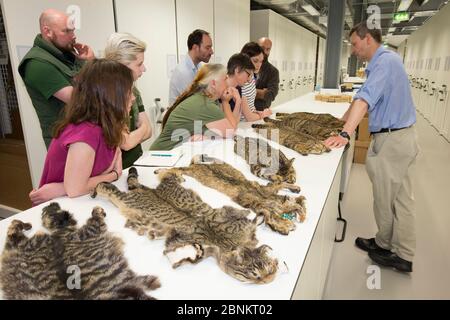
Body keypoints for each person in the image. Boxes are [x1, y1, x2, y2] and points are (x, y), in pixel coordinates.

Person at [324, 21, 418, 273]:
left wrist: (345, 132)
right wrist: (340, 121)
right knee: (397, 199)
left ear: (367, 39)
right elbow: (359, 98)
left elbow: (365, 100)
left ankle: (394, 252)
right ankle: (388, 244)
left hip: (393, 141)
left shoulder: (385, 61)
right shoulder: (382, 62)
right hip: (398, 138)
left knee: (389, 200)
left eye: (354, 44)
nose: (353, 50)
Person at [29, 59, 135, 206]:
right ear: (111, 97)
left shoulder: (106, 127)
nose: (133, 98)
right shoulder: (85, 133)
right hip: (58, 208)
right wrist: (113, 175)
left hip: (75, 201)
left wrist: (60, 188)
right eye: (129, 93)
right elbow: (76, 189)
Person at [18, 9, 95, 148]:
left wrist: (89, 62)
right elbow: (82, 100)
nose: (73, 36)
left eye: (73, 30)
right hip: (65, 143)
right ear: (47, 31)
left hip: (84, 136)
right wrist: (90, 65)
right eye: (67, 31)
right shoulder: (37, 63)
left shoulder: (67, 54)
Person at [150, 64, 238, 151]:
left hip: (165, 154)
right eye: (225, 79)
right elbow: (231, 131)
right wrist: (226, 102)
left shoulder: (203, 99)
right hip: (162, 157)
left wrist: (209, 137)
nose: (227, 84)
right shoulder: (206, 105)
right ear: (214, 83)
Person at [104, 33, 152, 169]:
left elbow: (149, 131)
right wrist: (141, 129)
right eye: (139, 64)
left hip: (136, 165)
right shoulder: (105, 94)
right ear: (122, 66)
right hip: (115, 171)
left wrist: (139, 132)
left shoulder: (133, 91)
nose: (144, 69)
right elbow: (126, 142)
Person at [168, 29, 214, 105]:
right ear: (195, 47)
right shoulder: (182, 72)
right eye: (207, 48)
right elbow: (195, 103)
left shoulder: (199, 67)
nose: (212, 52)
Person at [224, 53, 271, 122]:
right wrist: (263, 115)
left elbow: (236, 119)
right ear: (237, 71)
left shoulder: (238, 89)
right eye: (248, 74)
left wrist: (257, 112)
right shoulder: (222, 90)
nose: (249, 80)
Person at [240, 42, 273, 120]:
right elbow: (249, 117)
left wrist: (258, 112)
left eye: (261, 61)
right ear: (245, 59)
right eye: (255, 61)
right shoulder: (241, 82)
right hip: (242, 125)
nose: (259, 65)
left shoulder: (252, 78)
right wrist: (263, 114)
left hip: (251, 121)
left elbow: (250, 106)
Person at [254, 37, 279, 111]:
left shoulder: (273, 71)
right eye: (262, 48)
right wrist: (262, 92)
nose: (264, 51)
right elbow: (237, 89)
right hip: (240, 112)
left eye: (268, 49)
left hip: (261, 112)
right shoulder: (245, 66)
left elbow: (270, 95)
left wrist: (247, 91)